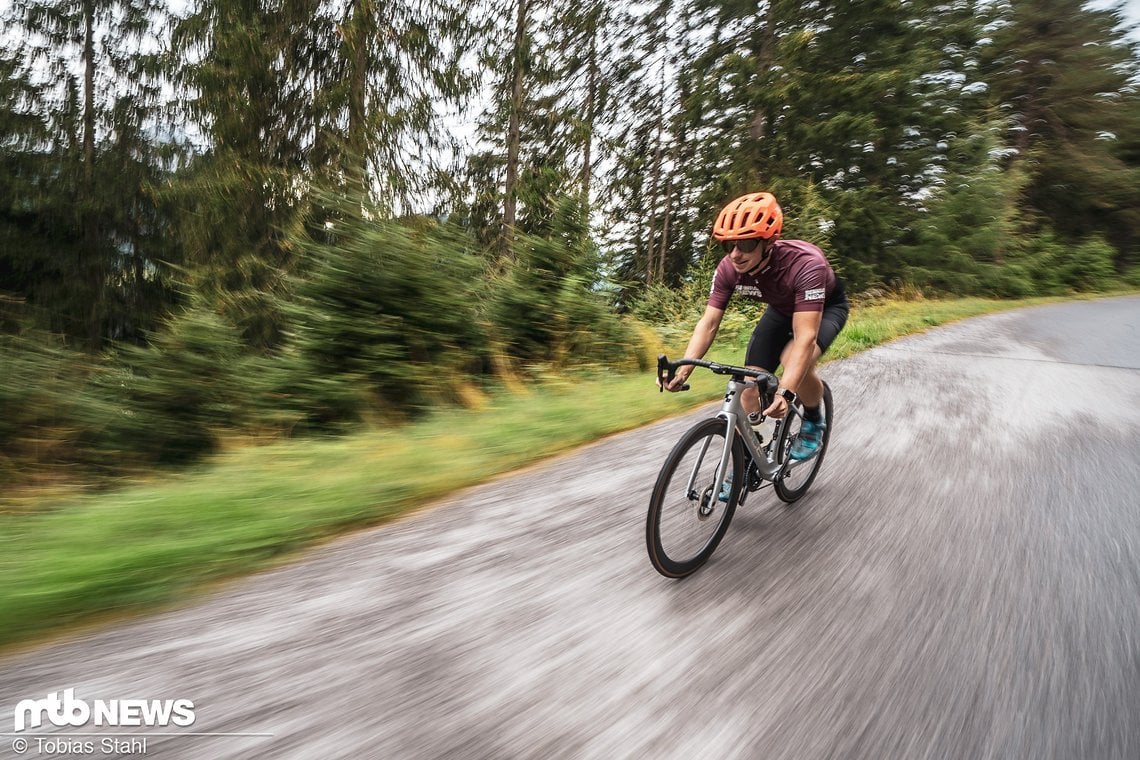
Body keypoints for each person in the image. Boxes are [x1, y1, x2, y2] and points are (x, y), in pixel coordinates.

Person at [661, 191, 849, 461]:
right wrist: (684, 369)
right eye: (729, 246)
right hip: (781, 310)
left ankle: (812, 419)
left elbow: (806, 336)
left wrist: (786, 391)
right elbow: (709, 322)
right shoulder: (728, 268)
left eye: (746, 244)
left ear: (769, 242)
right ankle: (748, 457)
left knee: (793, 359)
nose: (735, 255)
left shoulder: (806, 264)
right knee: (748, 385)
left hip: (826, 308)